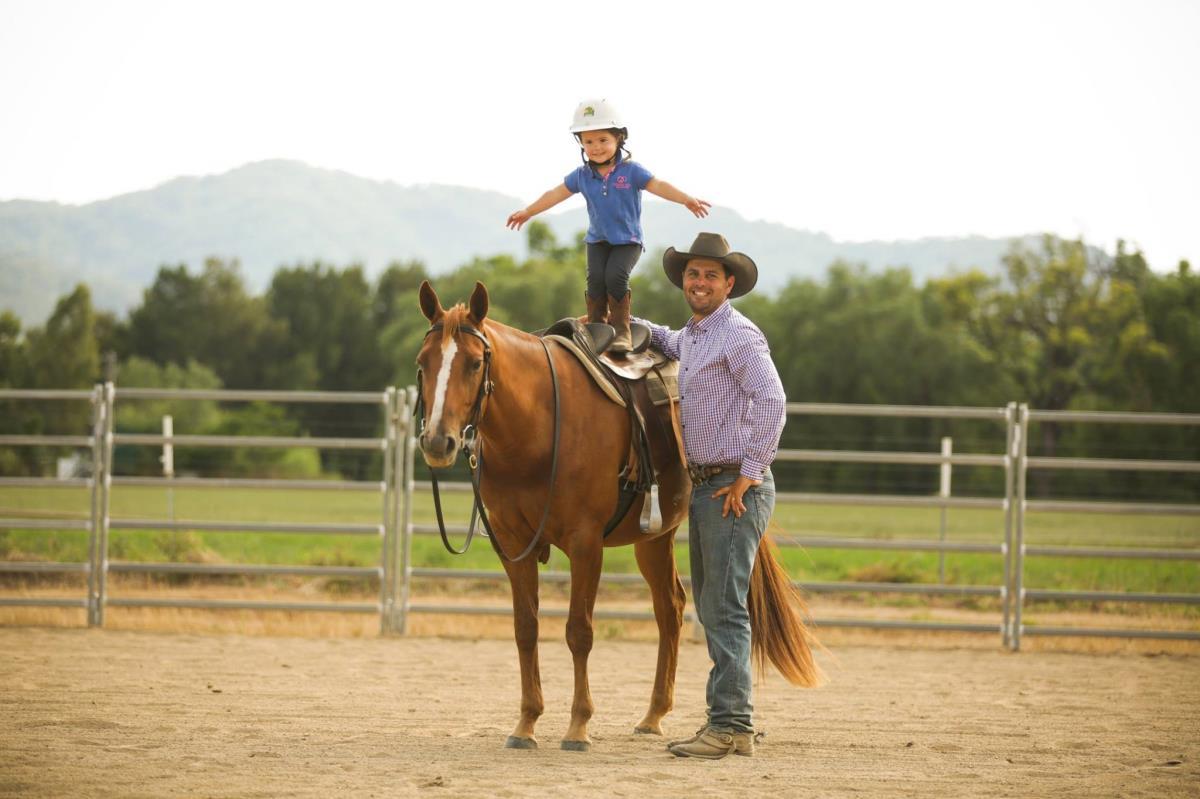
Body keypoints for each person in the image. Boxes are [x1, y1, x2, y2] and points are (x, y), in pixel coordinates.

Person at [635, 232, 786, 760]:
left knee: (722, 610)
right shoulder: (697, 335)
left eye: (710, 275)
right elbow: (668, 341)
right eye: (692, 274)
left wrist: (749, 474)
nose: (699, 283)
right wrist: (623, 322)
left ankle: (729, 725)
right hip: (708, 486)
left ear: (728, 283)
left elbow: (773, 403)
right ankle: (731, 723)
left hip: (730, 488)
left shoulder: (739, 336)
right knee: (715, 606)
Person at [506, 98, 711, 352]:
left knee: (615, 277)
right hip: (597, 240)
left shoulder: (631, 171)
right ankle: (596, 327)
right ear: (581, 143)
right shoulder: (582, 175)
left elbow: (658, 185)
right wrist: (528, 211)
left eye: (603, 140)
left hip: (628, 241)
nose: (596, 147)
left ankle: (622, 330)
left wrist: (685, 199)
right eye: (589, 141)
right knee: (595, 281)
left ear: (619, 139)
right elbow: (555, 193)